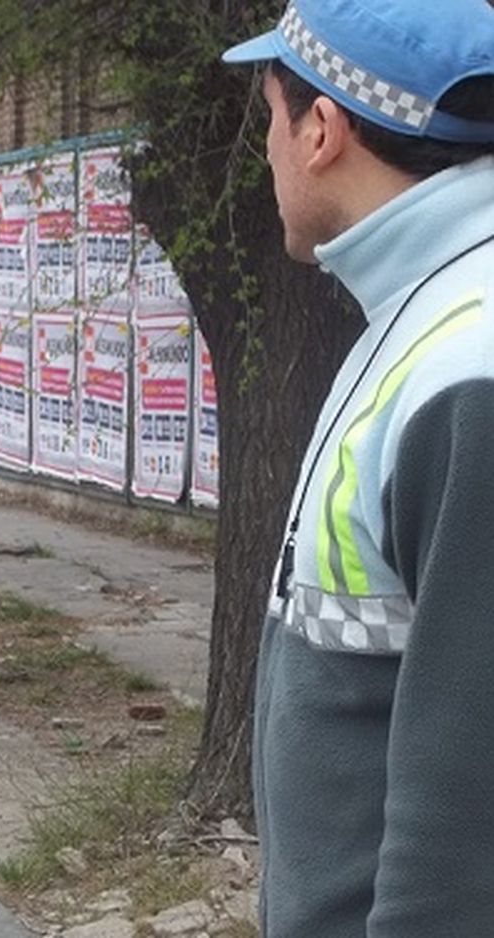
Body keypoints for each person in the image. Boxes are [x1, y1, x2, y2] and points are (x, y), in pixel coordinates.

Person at [223, 3, 494, 935]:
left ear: (324, 130)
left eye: (269, 115)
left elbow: (468, 818)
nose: (267, 150)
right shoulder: (429, 311)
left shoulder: (470, 367)